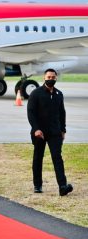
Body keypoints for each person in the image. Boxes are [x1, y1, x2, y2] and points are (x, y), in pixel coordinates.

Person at [27, 68, 73, 196]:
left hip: (55, 132)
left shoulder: (59, 94)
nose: (51, 79)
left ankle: (62, 186)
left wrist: (63, 129)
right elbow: (31, 113)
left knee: (57, 158)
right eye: (49, 77)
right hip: (39, 133)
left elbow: (62, 113)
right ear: (44, 78)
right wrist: (36, 129)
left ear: (56, 78)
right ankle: (37, 185)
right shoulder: (36, 93)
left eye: (53, 77)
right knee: (38, 158)